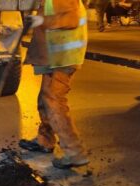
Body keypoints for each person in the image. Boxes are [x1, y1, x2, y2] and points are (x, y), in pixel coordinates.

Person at [20, 0, 90, 169]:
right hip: (54, 54)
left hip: (63, 56)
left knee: (53, 100)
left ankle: (74, 152)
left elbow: (70, 19)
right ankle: (45, 139)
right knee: (45, 98)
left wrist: (40, 20)